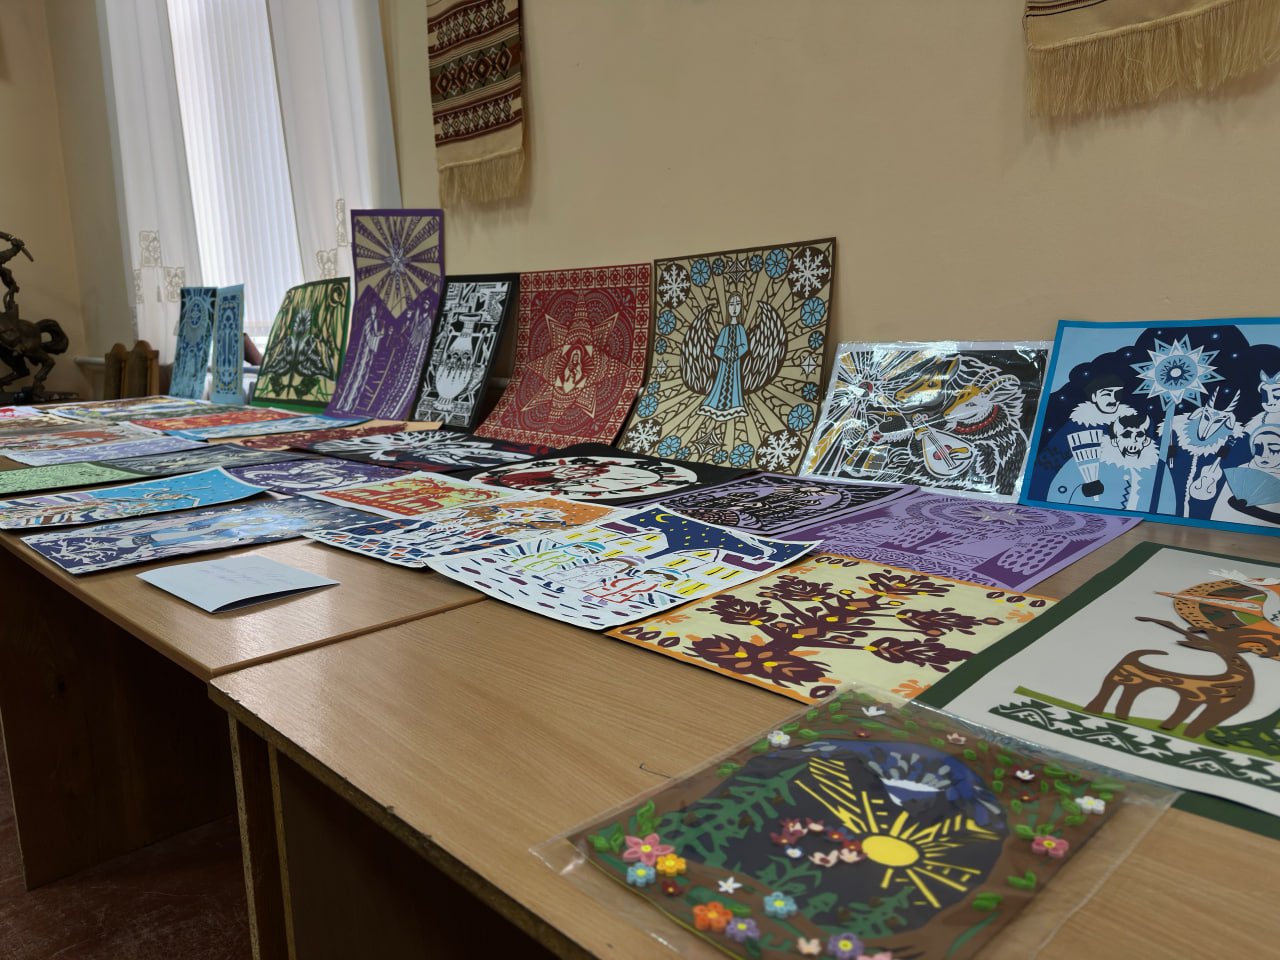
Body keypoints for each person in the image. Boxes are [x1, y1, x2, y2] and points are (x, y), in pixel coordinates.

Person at [699, 293, 749, 420]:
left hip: (735, 364)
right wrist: (727, 353)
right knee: (720, 384)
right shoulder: (725, 330)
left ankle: (735, 405)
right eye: (731, 305)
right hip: (724, 364)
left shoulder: (740, 329)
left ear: (741, 307)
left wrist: (735, 352)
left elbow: (745, 346)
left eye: (737, 304)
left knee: (735, 383)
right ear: (727, 307)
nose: (734, 308)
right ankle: (716, 404)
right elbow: (717, 349)